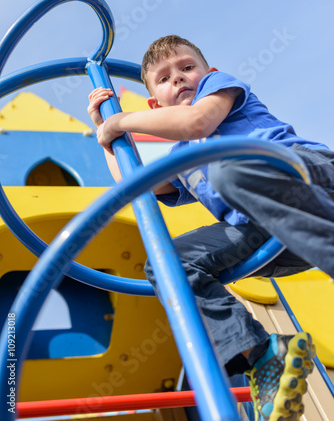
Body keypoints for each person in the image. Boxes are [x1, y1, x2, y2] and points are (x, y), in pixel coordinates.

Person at [88, 35, 334, 421]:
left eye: (187, 68)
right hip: (265, 231)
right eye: (165, 79)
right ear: (154, 103)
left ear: (208, 73)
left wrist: (121, 120)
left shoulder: (221, 91)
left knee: (229, 170)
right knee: (169, 263)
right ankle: (264, 356)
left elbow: (196, 121)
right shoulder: (180, 158)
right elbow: (137, 189)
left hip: (305, 180)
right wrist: (108, 137)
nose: (180, 79)